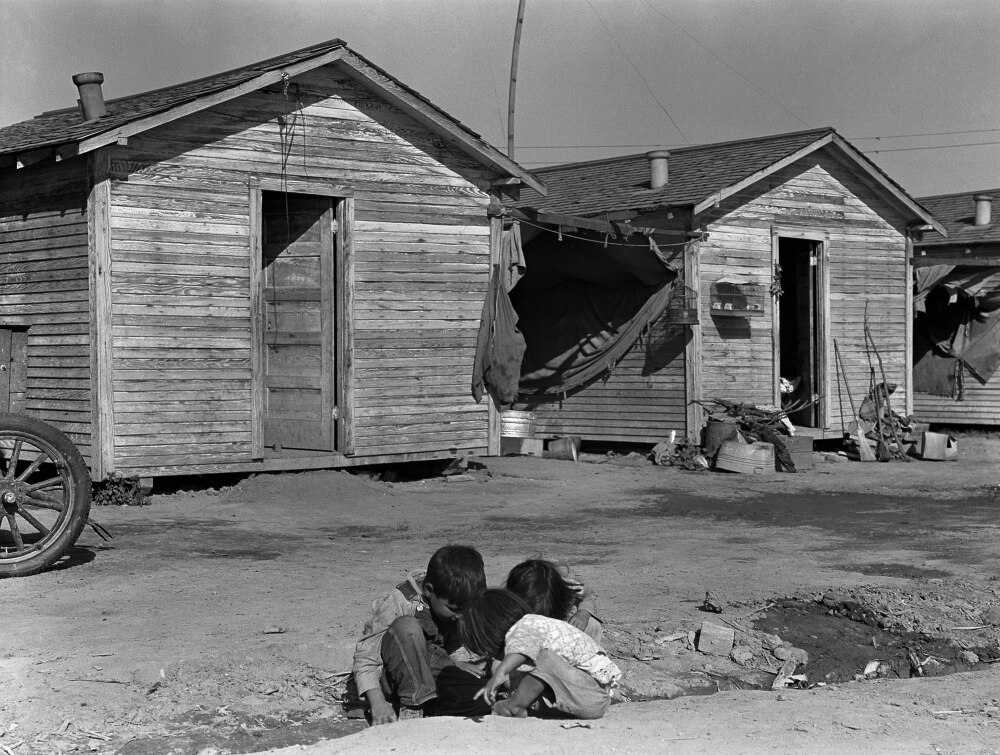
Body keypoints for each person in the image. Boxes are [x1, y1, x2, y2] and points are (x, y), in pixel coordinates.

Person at [352, 544, 491, 725]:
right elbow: (366, 657)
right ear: (429, 590)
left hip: (434, 674)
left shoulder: (453, 604)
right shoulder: (400, 602)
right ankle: (412, 707)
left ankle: (434, 707)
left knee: (483, 695)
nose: (459, 616)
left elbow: (454, 642)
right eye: (454, 609)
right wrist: (378, 702)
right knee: (407, 626)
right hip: (396, 681)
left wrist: (458, 661)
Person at [461, 588, 621, 720]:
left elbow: (522, 653)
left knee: (542, 658)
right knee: (527, 665)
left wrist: (500, 674)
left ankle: (514, 707)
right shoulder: (533, 625)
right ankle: (526, 704)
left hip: (590, 696)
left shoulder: (525, 626)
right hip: (578, 692)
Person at [505, 558, 603, 642]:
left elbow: (589, 594)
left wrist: (583, 613)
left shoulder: (566, 587)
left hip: (563, 627)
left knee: (592, 625)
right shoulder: (511, 599)